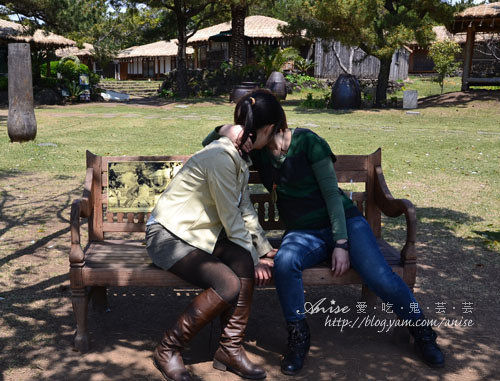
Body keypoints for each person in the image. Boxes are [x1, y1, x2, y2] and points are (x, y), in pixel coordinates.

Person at [202, 89, 445, 374]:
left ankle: (423, 333)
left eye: (250, 131)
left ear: (268, 128)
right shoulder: (259, 153)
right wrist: (226, 129)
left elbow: (332, 195)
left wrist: (341, 243)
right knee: (285, 261)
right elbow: (209, 143)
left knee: (379, 276)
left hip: (345, 223)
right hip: (304, 233)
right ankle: (299, 338)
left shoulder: (308, 142)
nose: (244, 138)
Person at [146, 90, 285, 381]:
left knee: (243, 262)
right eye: (274, 134)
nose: (274, 142)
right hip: (169, 236)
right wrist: (255, 255)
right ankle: (168, 349)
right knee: (228, 283)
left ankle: (230, 350)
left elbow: (244, 205)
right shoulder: (222, 157)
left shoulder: (237, 154)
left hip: (199, 236)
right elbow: (230, 216)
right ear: (269, 129)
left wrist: (261, 248)